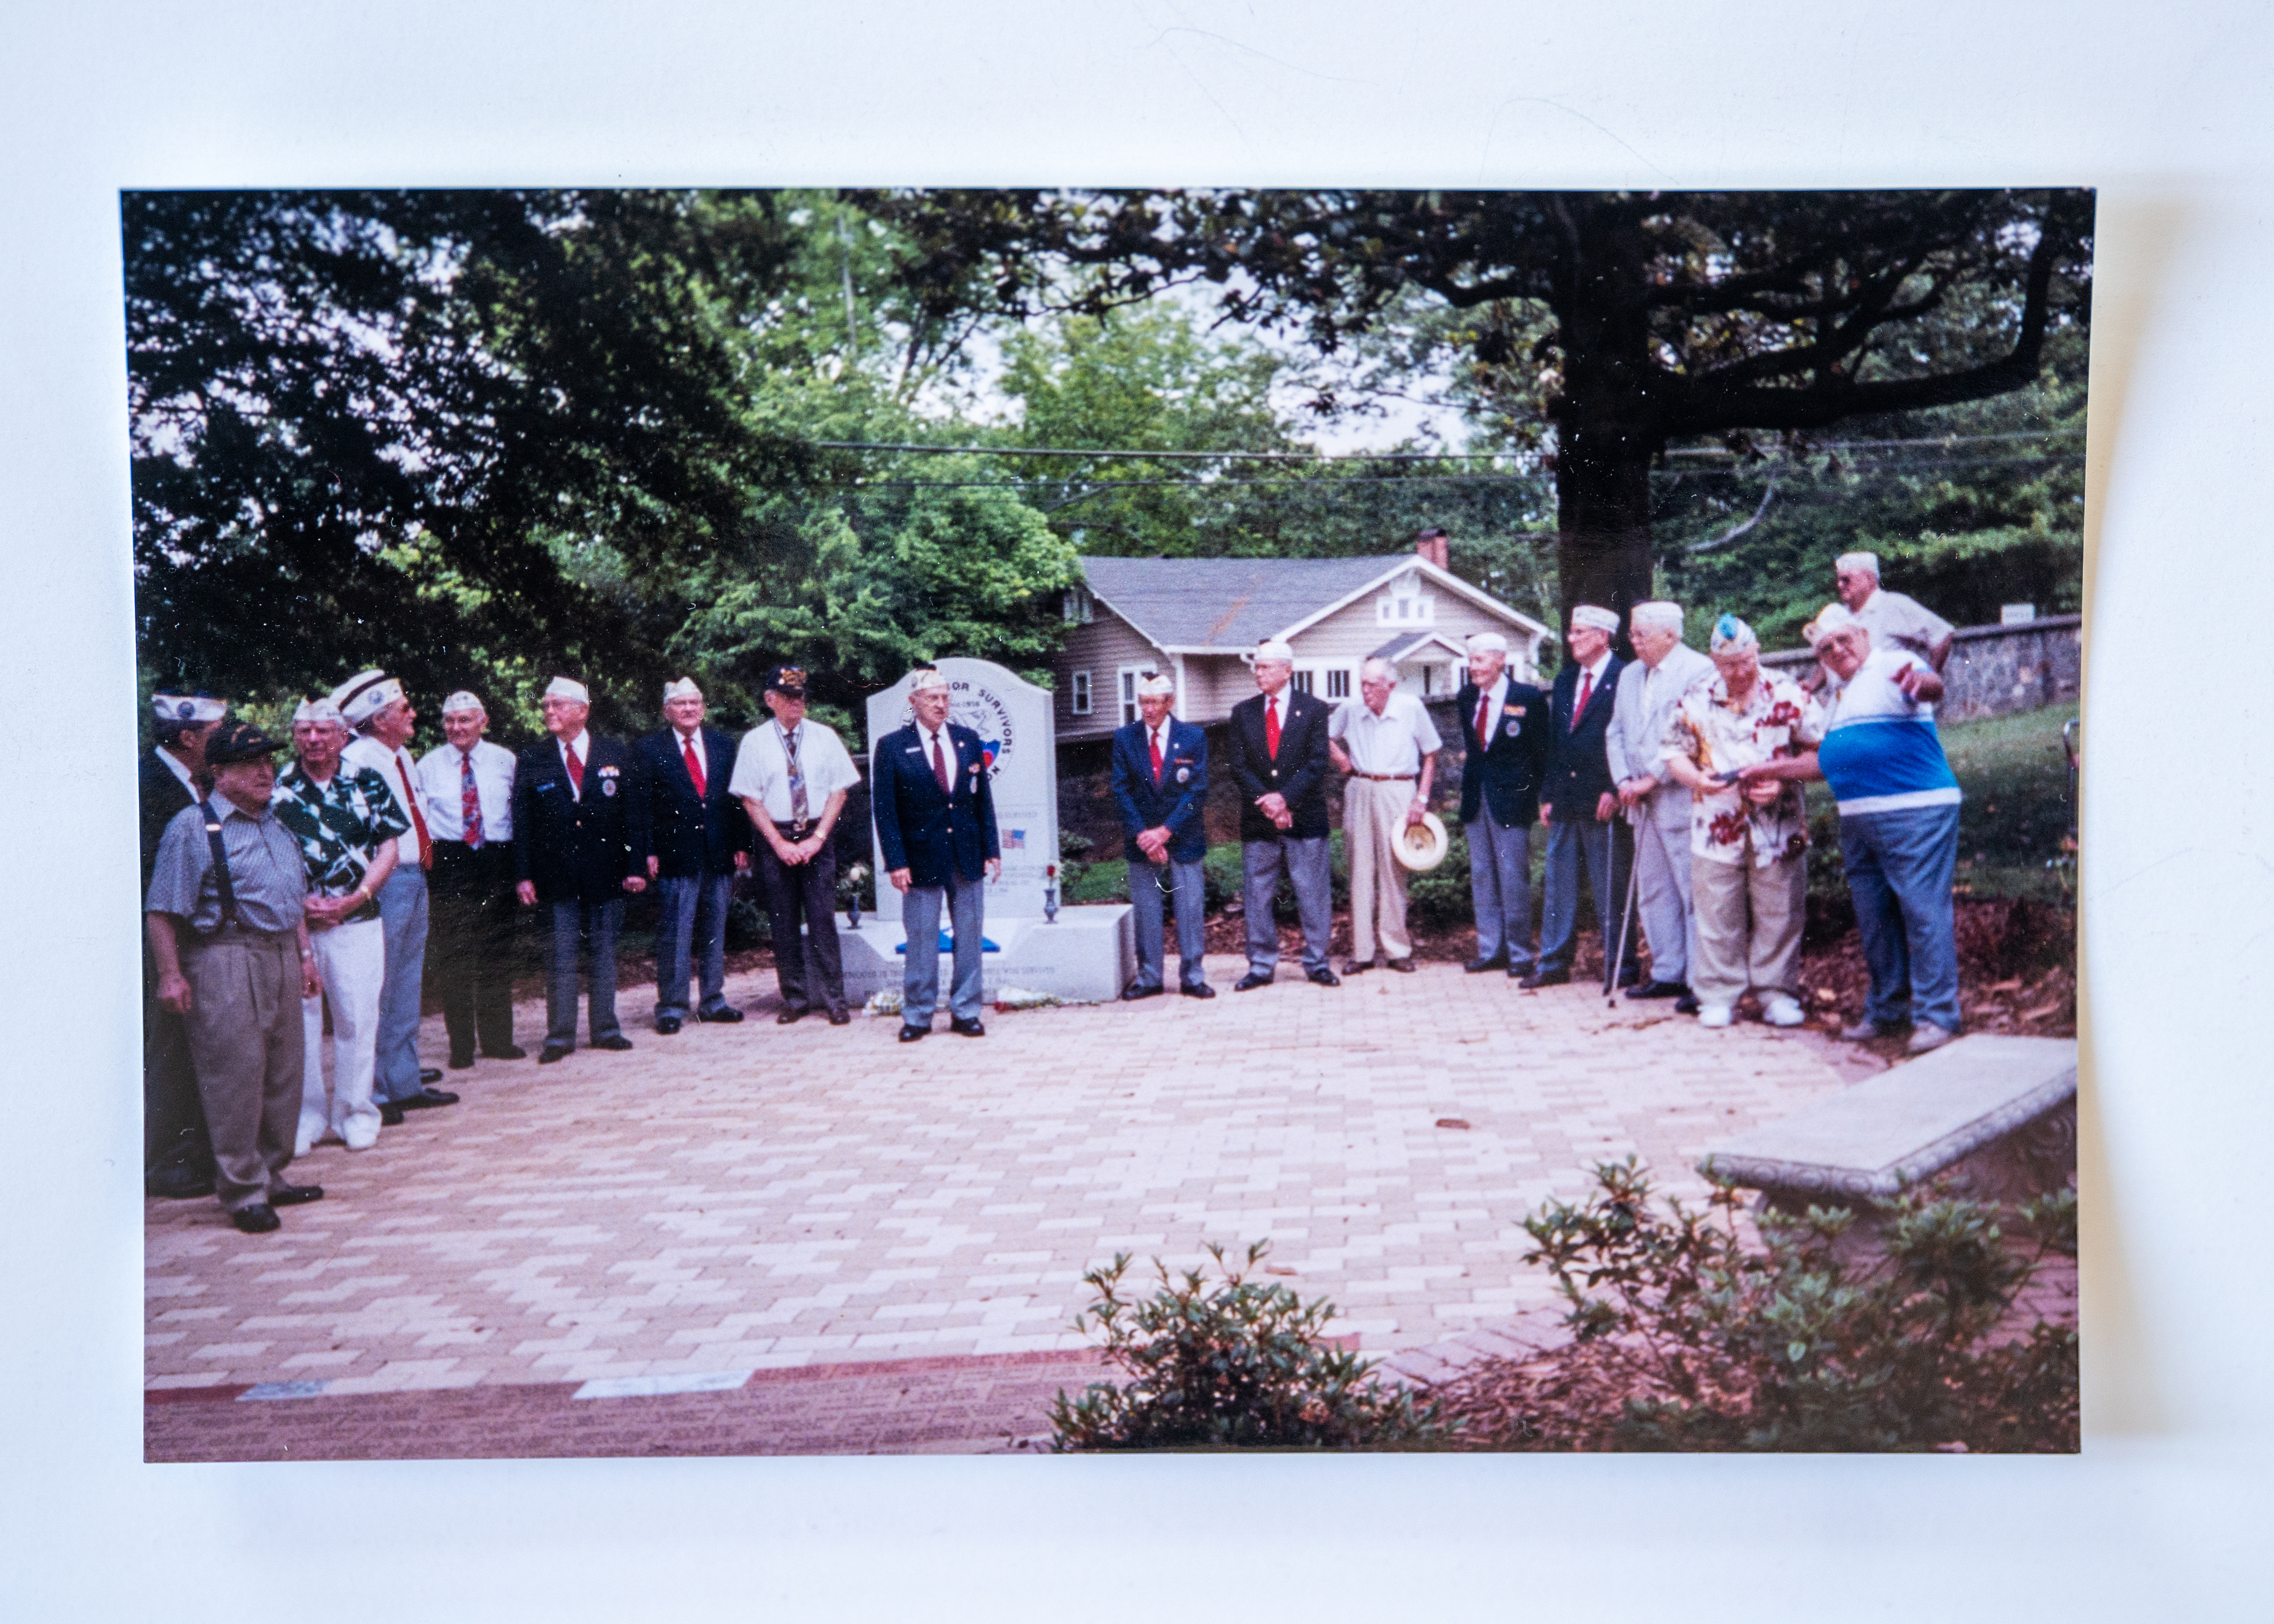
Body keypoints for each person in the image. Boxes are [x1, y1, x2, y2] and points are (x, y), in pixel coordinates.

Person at [1745, 604, 1964, 1054]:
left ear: (1864, 635)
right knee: (1875, 920)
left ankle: (1937, 1016)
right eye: (1826, 648)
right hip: (1860, 821)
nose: (1837, 650)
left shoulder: (1892, 664)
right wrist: (1771, 767)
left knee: (1923, 914)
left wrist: (1921, 683)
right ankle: (1887, 1012)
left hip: (1913, 813)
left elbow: (1931, 686)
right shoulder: (1837, 698)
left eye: (1844, 639)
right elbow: (1824, 762)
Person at [143, 721, 326, 1234]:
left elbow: (291, 901)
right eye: (251, 764)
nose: (266, 771)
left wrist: (305, 957)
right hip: (225, 957)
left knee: (283, 1073)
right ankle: (243, 1190)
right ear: (219, 772)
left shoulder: (277, 825)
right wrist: (171, 975)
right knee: (235, 1077)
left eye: (269, 761)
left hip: (280, 957)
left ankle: (270, 1174)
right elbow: (162, 910)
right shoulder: (193, 827)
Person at [1658, 615, 1826, 1030]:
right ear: (1715, 661)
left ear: (1757, 652)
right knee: (1717, 912)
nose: (1739, 672)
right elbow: (1673, 752)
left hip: (1778, 825)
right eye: (1728, 665)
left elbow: (1823, 757)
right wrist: (1697, 779)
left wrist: (1783, 782)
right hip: (1714, 825)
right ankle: (1717, 995)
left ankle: (1777, 994)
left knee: (1780, 912)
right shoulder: (1696, 697)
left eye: (1746, 661)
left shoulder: (1789, 693)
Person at [271, 697, 406, 1154]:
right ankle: (306, 1118)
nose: (312, 739)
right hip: (298, 926)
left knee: (357, 1017)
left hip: (358, 920)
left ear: (342, 735)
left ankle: (355, 1112)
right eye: (304, 731)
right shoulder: (278, 787)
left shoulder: (366, 780)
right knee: (301, 1023)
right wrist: (299, 906)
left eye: (322, 731)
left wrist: (356, 898)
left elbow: (389, 847)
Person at [332, 669, 458, 1122]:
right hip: (385, 880)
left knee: (406, 982)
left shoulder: (399, 755)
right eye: (404, 709)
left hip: (414, 874)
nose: (414, 715)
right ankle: (377, 1089)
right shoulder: (359, 760)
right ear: (380, 718)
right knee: (380, 985)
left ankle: (402, 1078)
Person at [513, 676, 650, 1063]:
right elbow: (522, 822)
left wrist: (635, 865)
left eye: (558, 705)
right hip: (554, 875)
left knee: (604, 951)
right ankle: (559, 1035)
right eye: (546, 706)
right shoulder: (534, 757)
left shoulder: (615, 753)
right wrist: (523, 874)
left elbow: (634, 817)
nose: (549, 713)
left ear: (583, 711)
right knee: (560, 954)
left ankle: (606, 1028)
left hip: (606, 872)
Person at [872, 666, 1001, 1041]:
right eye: (933, 698)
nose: (941, 705)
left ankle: (966, 1011)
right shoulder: (893, 747)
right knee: (923, 938)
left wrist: (992, 850)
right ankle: (917, 1015)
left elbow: (982, 801)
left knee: (971, 935)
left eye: (945, 698)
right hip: (920, 858)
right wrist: (896, 861)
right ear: (914, 703)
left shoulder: (968, 739)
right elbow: (886, 811)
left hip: (967, 854)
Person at [731, 663, 861, 1026]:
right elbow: (750, 800)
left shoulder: (824, 736)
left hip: (818, 834)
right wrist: (778, 844)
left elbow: (840, 790)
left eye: (800, 697)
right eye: (788, 698)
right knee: (783, 922)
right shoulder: (755, 742)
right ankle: (795, 997)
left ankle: (835, 999)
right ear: (770, 700)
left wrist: (818, 838)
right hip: (776, 836)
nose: (796, 704)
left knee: (822, 920)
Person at [1607, 602, 1716, 1012]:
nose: (1633, 642)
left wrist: (1652, 777)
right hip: (1639, 798)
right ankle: (1668, 971)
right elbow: (1615, 731)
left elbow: (1691, 734)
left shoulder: (1699, 669)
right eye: (1632, 634)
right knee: (1653, 890)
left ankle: (1699, 979)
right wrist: (1623, 781)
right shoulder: (1630, 674)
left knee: (1692, 888)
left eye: (1641, 635)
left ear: (1671, 635)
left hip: (1679, 795)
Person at [1524, 606, 1640, 990]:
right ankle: (1554, 963)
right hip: (1566, 799)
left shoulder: (1625, 676)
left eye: (1579, 632)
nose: (1571, 639)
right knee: (1558, 884)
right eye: (1571, 632)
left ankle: (1620, 965)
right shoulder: (1565, 680)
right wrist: (1548, 795)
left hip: (1603, 798)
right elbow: (1557, 743)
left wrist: (1614, 787)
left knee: (1611, 884)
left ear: (1603, 636)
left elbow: (1628, 737)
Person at [141, 689, 226, 1199]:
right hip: (166, 935)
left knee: (192, 1042)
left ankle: (194, 1150)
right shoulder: (147, 785)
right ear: (189, 737)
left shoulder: (197, 782)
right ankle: (164, 1159)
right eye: (218, 733)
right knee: (169, 1045)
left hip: (198, 934)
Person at [415, 691, 524, 1069]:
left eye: (465, 720)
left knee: (496, 952)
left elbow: (518, 814)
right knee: (455, 955)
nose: (456, 728)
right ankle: (460, 1045)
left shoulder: (504, 760)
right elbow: (422, 825)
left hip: (497, 858)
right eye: (450, 721)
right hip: (451, 862)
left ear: (483, 722)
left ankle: (498, 1041)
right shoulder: (427, 765)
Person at [637, 677, 752, 1033]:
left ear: (703, 708)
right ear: (666, 711)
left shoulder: (722, 745)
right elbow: (641, 808)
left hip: (718, 851)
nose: (688, 709)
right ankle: (671, 1006)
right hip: (675, 854)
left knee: (715, 928)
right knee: (676, 931)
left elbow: (737, 800)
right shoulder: (648, 749)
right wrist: (647, 852)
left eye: (695, 703)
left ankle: (713, 1000)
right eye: (681, 704)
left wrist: (742, 844)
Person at [1226, 639, 1339, 990]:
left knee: (1313, 892)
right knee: (1258, 893)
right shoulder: (1243, 713)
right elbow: (1238, 766)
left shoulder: (1315, 710)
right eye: (1256, 667)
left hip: (1305, 818)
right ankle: (1260, 965)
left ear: (1287, 670)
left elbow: (1318, 762)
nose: (1258, 673)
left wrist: (1286, 800)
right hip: (1259, 820)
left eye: (1265, 667)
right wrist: (1268, 801)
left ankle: (1318, 962)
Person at [1328, 656, 1441, 975]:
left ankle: (1396, 949)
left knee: (1394, 870)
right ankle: (1361, 952)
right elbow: (1322, 735)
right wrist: (1341, 759)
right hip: (1361, 788)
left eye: (1371, 684)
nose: (1365, 691)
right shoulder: (1351, 710)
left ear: (1390, 686)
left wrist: (1421, 798)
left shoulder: (1411, 708)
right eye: (1362, 683)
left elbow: (1431, 753)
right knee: (1360, 870)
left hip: (1399, 790)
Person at [1109, 671, 1213, 1000]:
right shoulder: (1125, 738)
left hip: (1182, 835)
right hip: (1141, 839)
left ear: (1170, 702)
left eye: (1154, 703)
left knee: (1190, 908)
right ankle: (1150, 976)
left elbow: (1197, 791)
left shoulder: (1193, 737)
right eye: (1143, 703)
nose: (1148, 710)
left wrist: (1166, 831)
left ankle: (1193, 977)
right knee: (1146, 910)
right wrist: (1144, 834)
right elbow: (1121, 790)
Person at [1454, 634, 1551, 979]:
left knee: (1513, 879)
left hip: (1512, 801)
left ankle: (1520, 954)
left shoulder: (1527, 698)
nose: (1473, 668)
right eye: (1471, 660)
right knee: (1482, 877)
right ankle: (1490, 950)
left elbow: (1542, 753)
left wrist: (1540, 796)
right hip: (1476, 799)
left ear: (1499, 660)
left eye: (1479, 661)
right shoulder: (1466, 697)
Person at [1805, 551, 1955, 691]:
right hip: (1848, 704)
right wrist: (1811, 686)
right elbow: (1828, 657)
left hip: (1889, 702)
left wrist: (1928, 678)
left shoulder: (1893, 605)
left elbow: (1942, 634)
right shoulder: (1838, 614)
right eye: (1839, 580)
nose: (1840, 585)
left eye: (1846, 580)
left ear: (1869, 579)